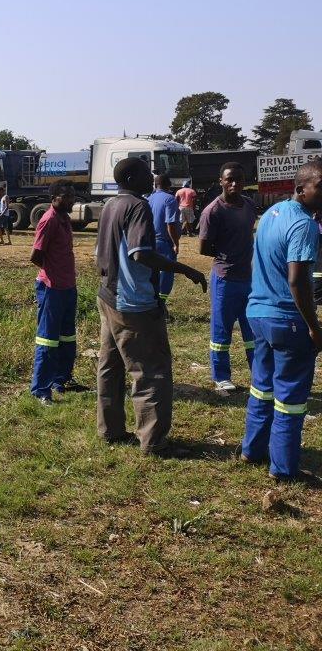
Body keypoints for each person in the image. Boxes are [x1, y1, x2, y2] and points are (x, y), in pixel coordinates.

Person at [95, 158, 206, 455]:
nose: (152, 177)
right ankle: (154, 442)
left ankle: (110, 430)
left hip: (108, 295)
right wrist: (184, 269)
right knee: (151, 371)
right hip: (133, 303)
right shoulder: (137, 206)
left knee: (110, 366)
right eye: (147, 173)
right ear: (132, 178)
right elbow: (140, 254)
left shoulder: (110, 205)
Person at [241, 160, 322, 482]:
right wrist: (314, 327)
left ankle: (252, 449)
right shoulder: (303, 225)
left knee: (262, 387)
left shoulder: (271, 214)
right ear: (301, 188)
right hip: (288, 321)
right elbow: (298, 280)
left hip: (259, 315)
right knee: (290, 398)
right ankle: (284, 468)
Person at [197, 163, 257, 392]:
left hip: (249, 279)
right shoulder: (213, 211)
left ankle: (259, 374)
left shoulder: (249, 205)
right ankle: (221, 377)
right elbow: (203, 248)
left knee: (253, 330)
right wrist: (227, 253)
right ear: (221, 181)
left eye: (238, 179)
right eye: (229, 179)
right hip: (225, 279)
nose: (234, 184)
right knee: (221, 330)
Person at [29, 181, 86, 405]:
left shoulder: (65, 219)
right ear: (54, 198)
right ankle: (41, 390)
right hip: (51, 289)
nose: (72, 200)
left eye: (73, 195)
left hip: (68, 287)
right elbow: (36, 256)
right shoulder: (49, 220)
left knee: (67, 337)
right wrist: (52, 272)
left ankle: (61, 380)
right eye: (67, 196)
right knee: (48, 340)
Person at [147, 174, 181, 309]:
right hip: (165, 243)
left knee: (152, 273)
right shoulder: (170, 199)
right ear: (169, 185)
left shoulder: (148, 199)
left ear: (155, 185)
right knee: (167, 274)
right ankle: (161, 305)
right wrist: (176, 243)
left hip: (150, 242)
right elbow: (170, 224)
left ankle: (152, 302)